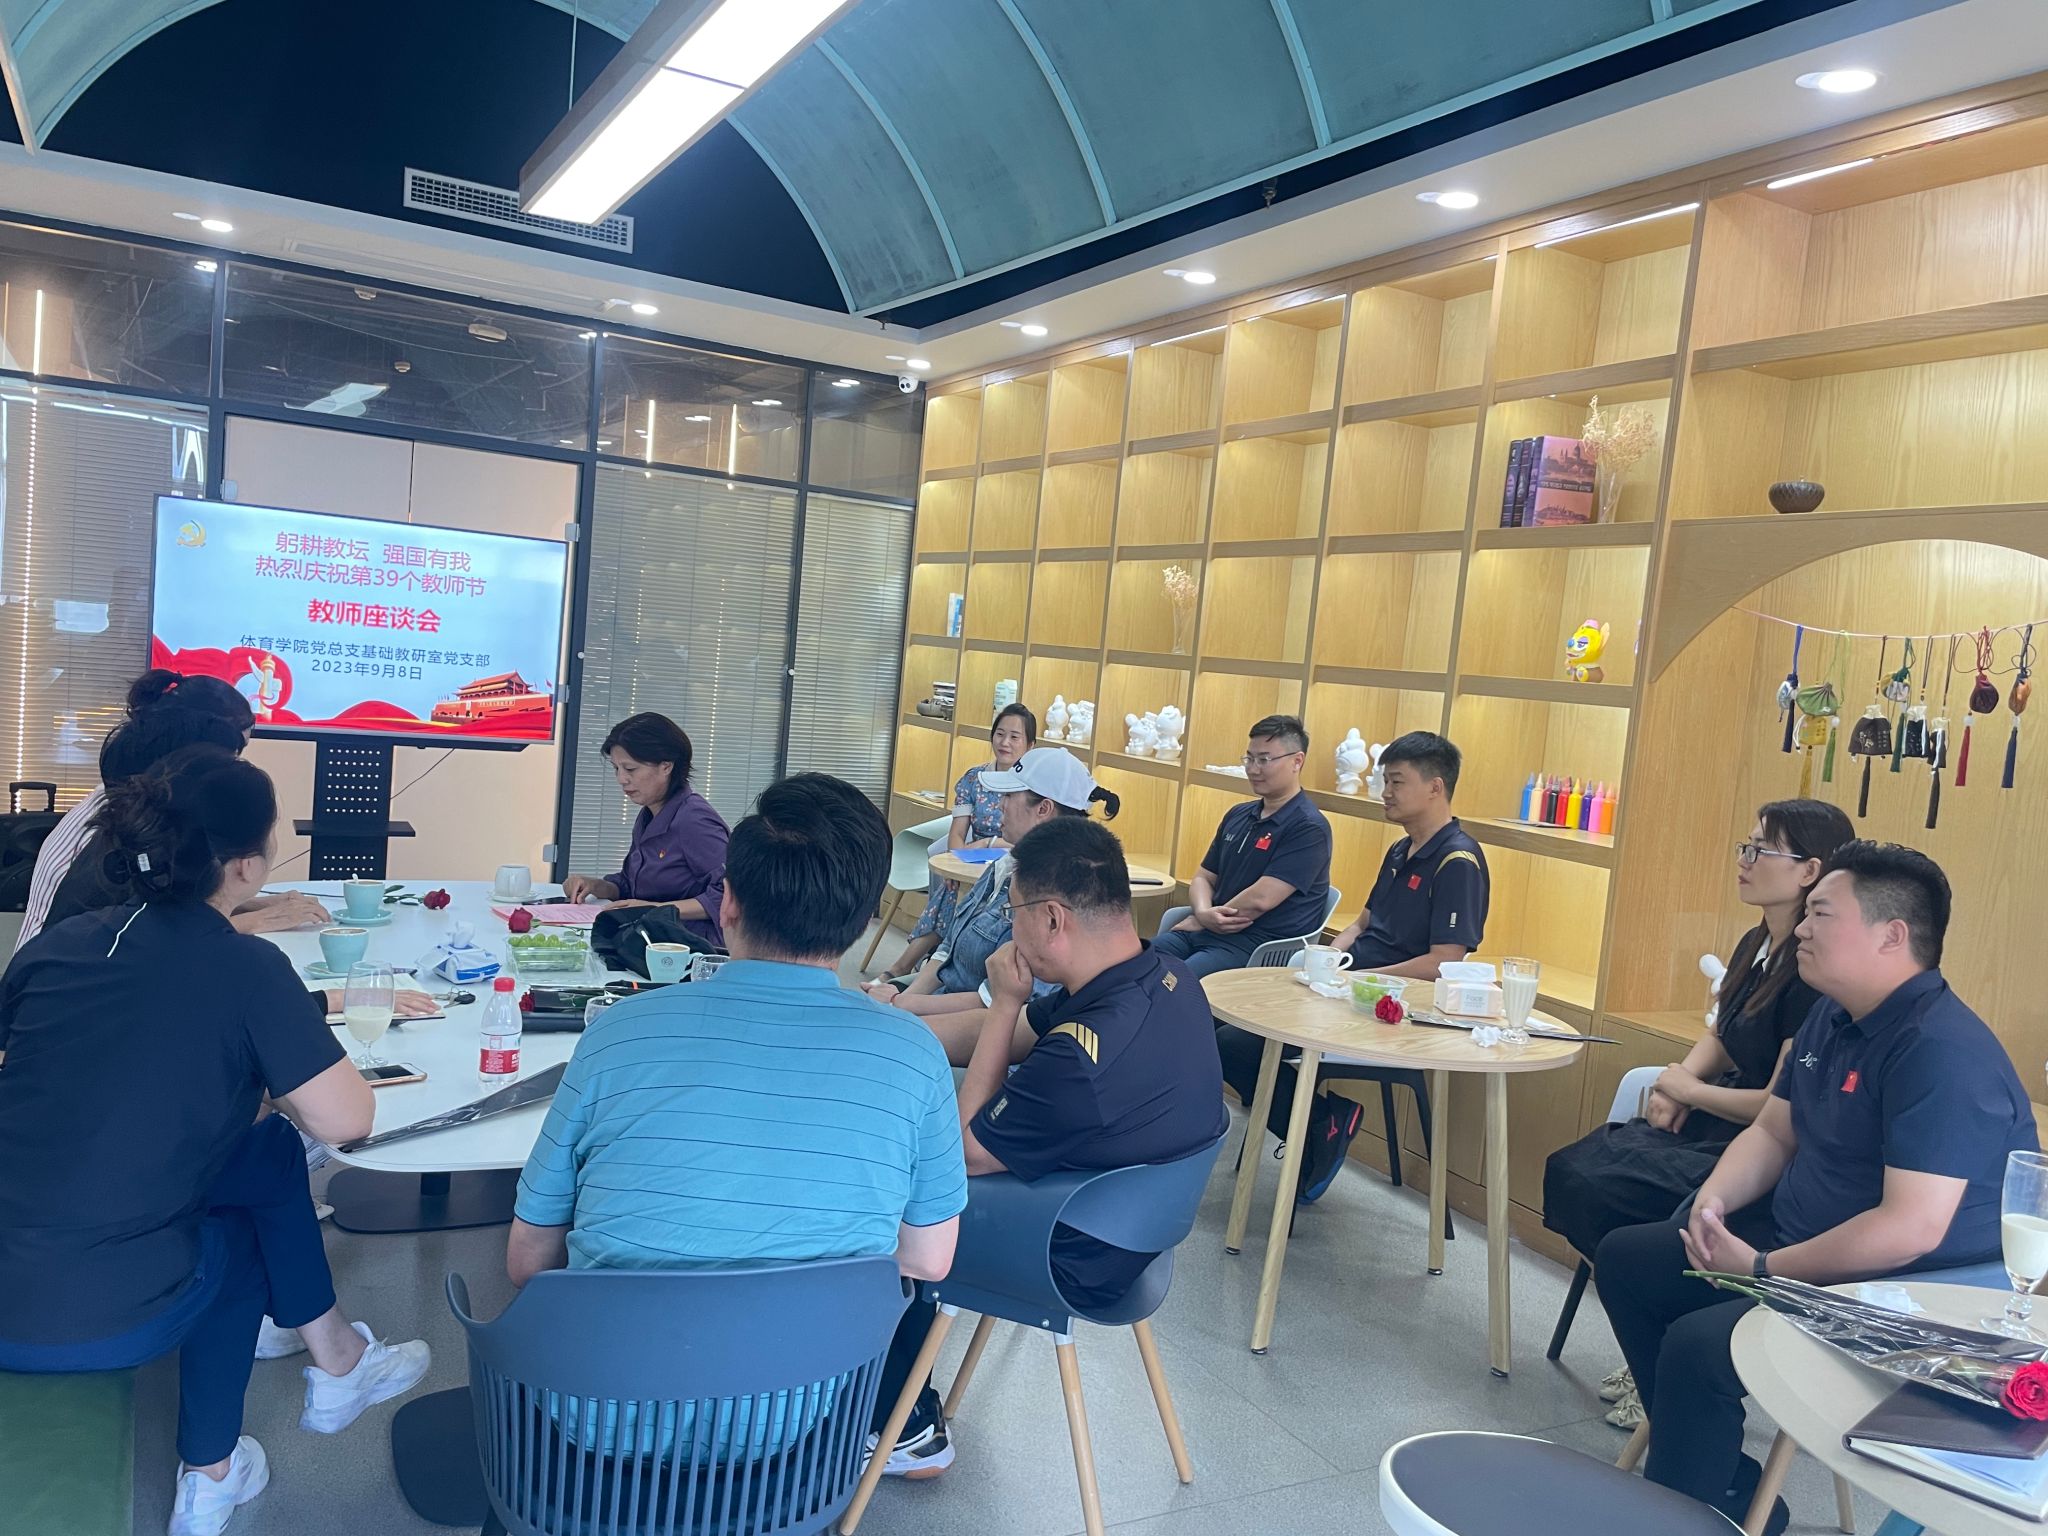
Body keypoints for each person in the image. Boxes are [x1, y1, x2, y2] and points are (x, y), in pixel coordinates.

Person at [0, 747, 431, 1536]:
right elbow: (346, 1121)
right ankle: (213, 1476)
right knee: (236, 1232)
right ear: (245, 865)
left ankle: (340, 1359)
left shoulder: (55, 948)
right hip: (90, 1319)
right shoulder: (246, 966)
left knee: (262, 1153)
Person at [1593, 841, 2035, 1533]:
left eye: (1821, 913)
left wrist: (1763, 1271)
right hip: (1803, 1243)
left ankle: (1689, 1510)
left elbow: (1909, 1229)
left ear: (1891, 935)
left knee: (1699, 1348)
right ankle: (1726, 1491)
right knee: (1628, 1259)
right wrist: (1713, 1202)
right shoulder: (1831, 1014)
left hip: (1901, 1287)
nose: (1800, 927)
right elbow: (1775, 1132)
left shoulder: (1941, 1052)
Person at [507, 767, 966, 1290]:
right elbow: (929, 1260)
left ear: (727, 904)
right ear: (863, 925)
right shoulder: (914, 1055)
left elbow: (528, 1261)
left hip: (612, 1341)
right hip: (820, 1344)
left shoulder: (618, 1031)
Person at [869, 815, 1228, 1480]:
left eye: (1013, 914)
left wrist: (1007, 1003)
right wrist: (889, 1025)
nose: (1011, 931)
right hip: (1132, 1223)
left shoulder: (1083, 1059)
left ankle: (904, 1425)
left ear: (1052, 918)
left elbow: (963, 1151)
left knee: (893, 1201)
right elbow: (1003, 1035)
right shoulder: (1158, 974)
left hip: (1074, 1253)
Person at [1545, 798, 1853, 1429]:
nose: (1745, 860)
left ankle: (1660, 1348)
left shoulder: (1810, 970)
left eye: (1762, 850)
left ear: (1809, 870)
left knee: (1619, 1192)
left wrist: (1688, 1089)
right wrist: (1675, 1079)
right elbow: (1724, 1032)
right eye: (1746, 846)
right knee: (1576, 1169)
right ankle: (1647, 1332)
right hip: (1717, 1116)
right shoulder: (1756, 942)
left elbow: (1777, 1104)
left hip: (1754, 1140)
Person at [1214, 730, 1487, 1203]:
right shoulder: (1401, 849)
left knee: (1237, 1045)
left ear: (1435, 787)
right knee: (1228, 1036)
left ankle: (1317, 1129)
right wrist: (1331, 960)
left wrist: (1357, 979)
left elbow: (1445, 961)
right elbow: (1362, 923)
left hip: (1392, 1006)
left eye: (1396, 782)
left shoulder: (1457, 860)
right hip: (1349, 988)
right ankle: (1321, 1127)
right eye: (1385, 781)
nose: (1386, 792)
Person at [17, 669, 312, 946]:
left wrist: (244, 905)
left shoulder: (139, 805)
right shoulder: (122, 827)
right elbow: (116, 942)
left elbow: (159, 908)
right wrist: (247, 922)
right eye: (230, 757)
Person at [865, 747, 1120, 1046]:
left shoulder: (1055, 897)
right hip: (935, 1006)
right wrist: (904, 999)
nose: (1000, 804)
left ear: (1044, 808)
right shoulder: (1005, 864)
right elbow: (947, 948)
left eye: (1010, 796)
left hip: (979, 1035)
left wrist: (903, 1006)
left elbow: (999, 1002)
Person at [1153, 714, 1333, 980]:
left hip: (1253, 946)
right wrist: (1202, 912)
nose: (1253, 769)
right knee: (1127, 967)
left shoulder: (1309, 827)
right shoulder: (1239, 814)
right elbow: (1204, 877)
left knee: (1173, 985)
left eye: (1264, 760)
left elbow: (1261, 900)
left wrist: (1202, 920)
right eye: (1249, 759)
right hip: (1203, 931)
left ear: (1297, 761)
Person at [888, 704, 1036, 977]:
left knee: (953, 891)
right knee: (951, 884)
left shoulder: (1034, 787)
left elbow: (1031, 841)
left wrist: (990, 844)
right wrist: (965, 858)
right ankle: (929, 966)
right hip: (973, 859)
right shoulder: (973, 779)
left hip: (1013, 865)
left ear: (1030, 745)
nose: (1005, 742)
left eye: (1014, 737)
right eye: (1000, 734)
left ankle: (910, 966)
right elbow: (957, 837)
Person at [562, 713, 730, 947]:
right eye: (616, 768)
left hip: (690, 947)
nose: (621, 779)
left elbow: (732, 894)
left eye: (630, 769)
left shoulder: (694, 819)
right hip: (650, 939)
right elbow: (634, 886)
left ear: (666, 766)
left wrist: (655, 909)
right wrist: (597, 886)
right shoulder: (650, 814)